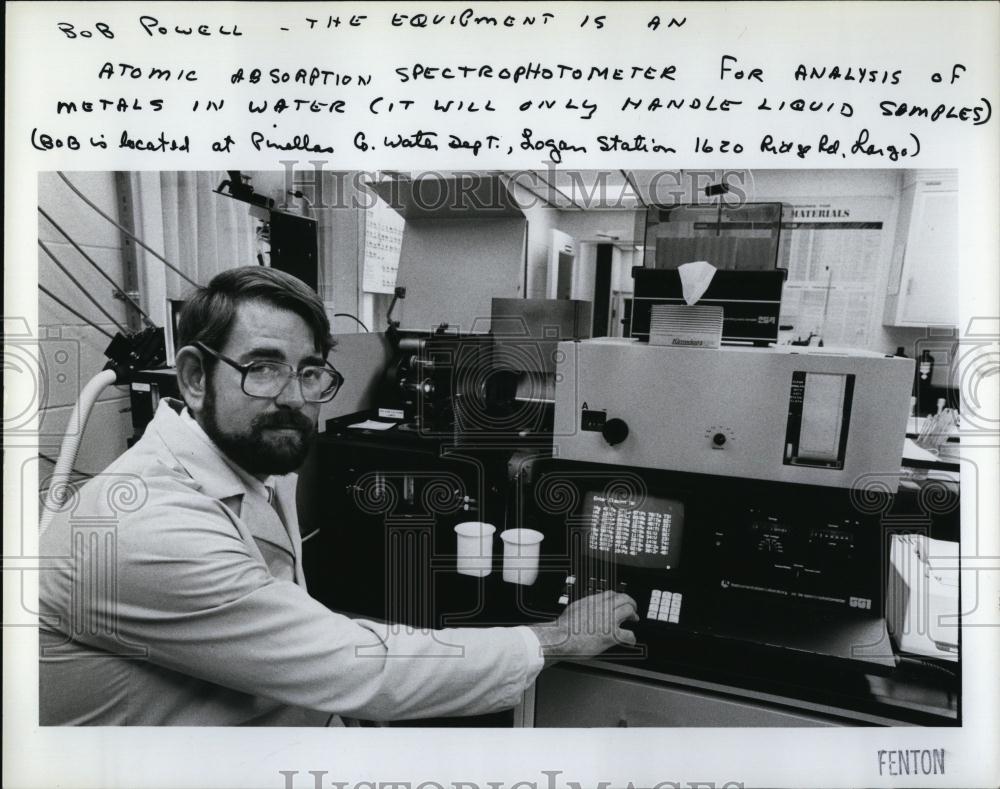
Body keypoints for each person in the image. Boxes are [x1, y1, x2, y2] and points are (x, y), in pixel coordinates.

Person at [39, 266, 638, 725]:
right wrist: (554, 638)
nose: (295, 396)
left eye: (310, 372)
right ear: (194, 377)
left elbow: (303, 641)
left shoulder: (243, 469)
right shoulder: (147, 526)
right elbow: (357, 666)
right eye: (263, 367)